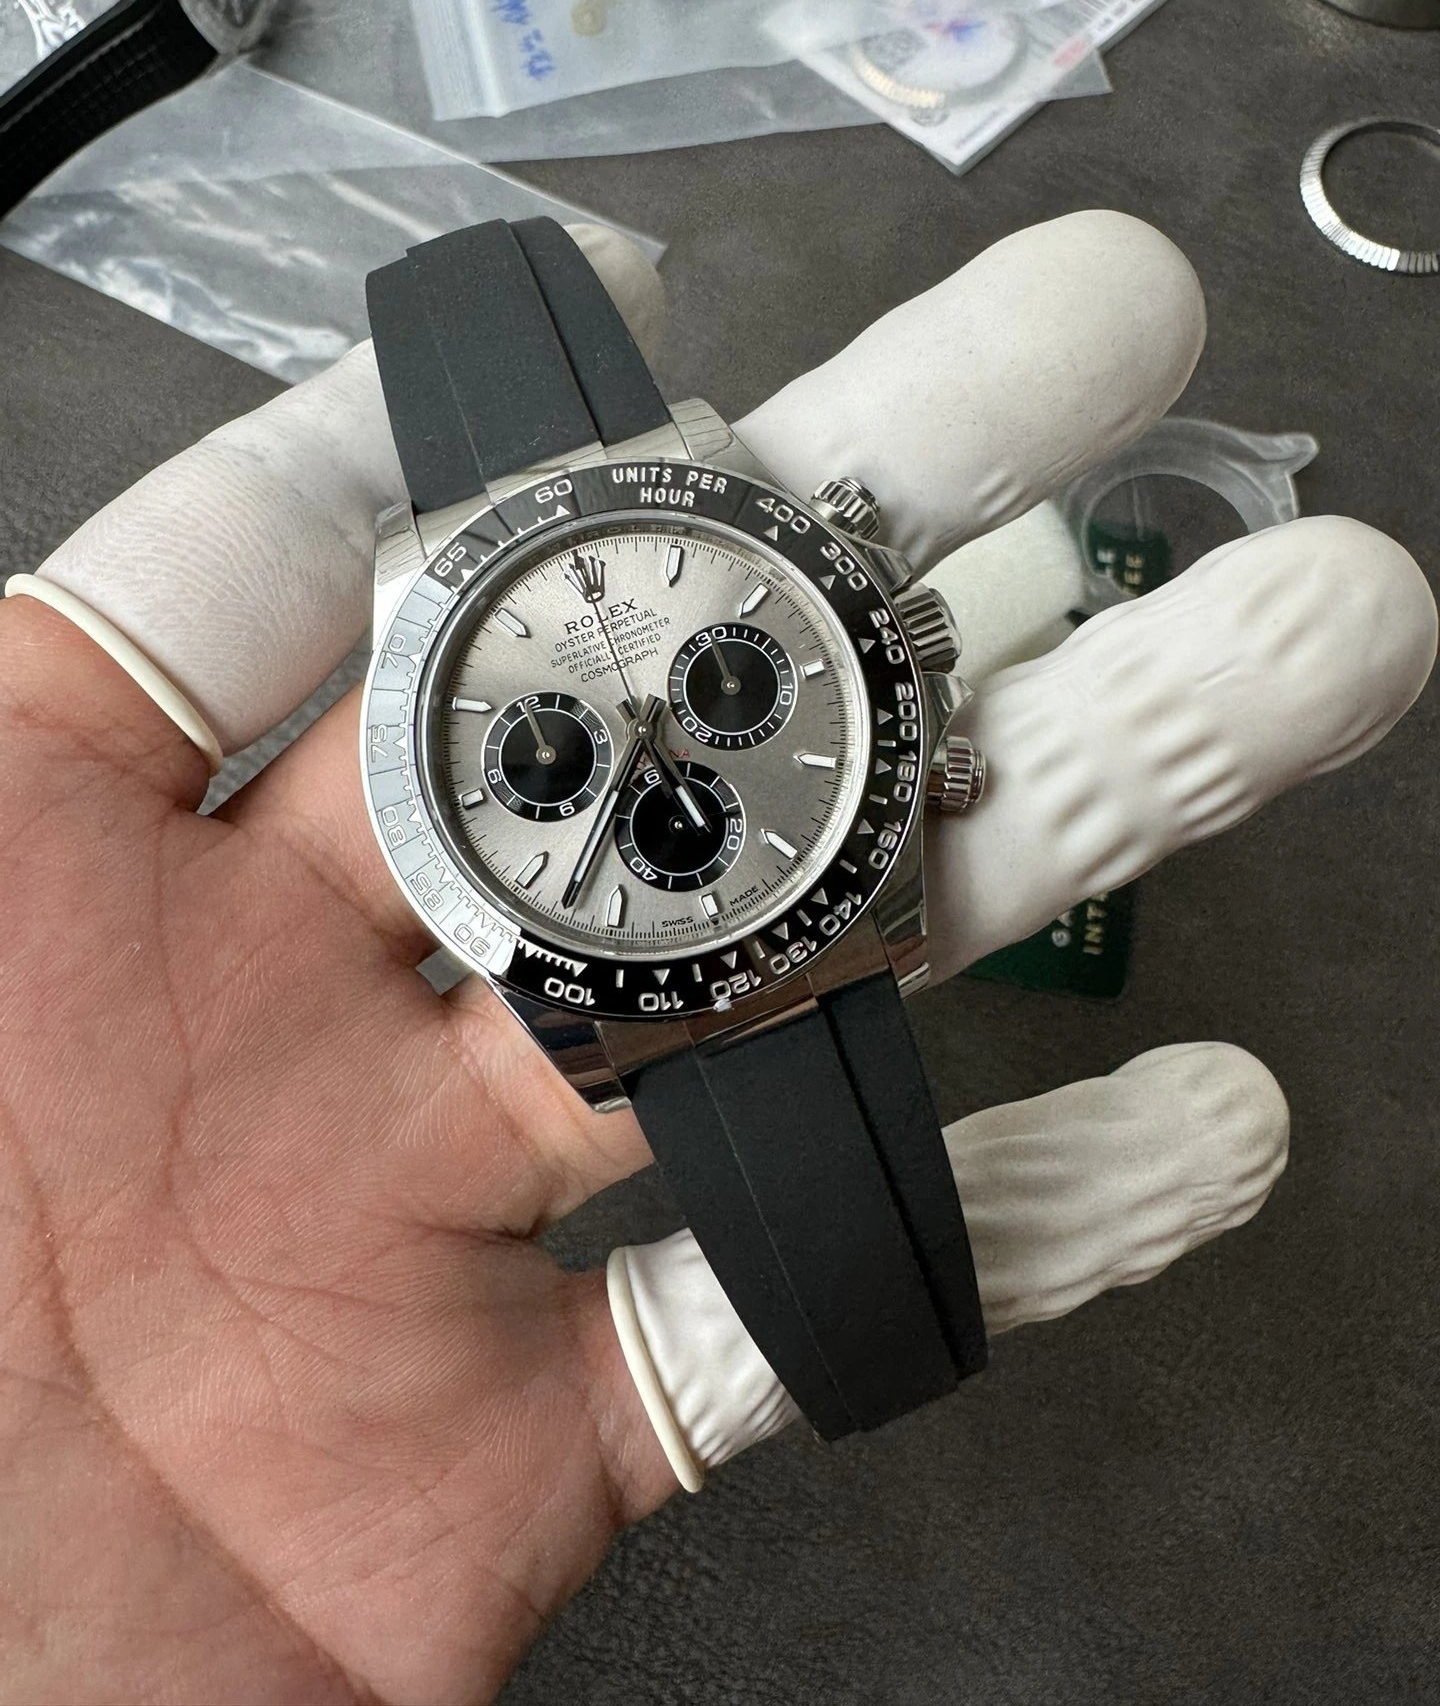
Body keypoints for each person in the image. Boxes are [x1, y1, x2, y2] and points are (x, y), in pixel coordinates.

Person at [1, 215, 1433, 1705]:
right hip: (645, 910)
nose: (636, 737)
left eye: (721, 687)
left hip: (779, 857)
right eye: (564, 753)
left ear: (893, 644)